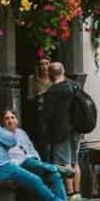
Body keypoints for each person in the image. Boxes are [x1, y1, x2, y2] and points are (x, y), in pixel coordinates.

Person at [0, 106, 78, 201]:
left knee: (53, 175)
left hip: (26, 163)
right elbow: (12, 142)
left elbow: (31, 149)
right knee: (35, 178)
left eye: (12, 117)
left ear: (17, 120)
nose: (10, 120)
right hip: (14, 164)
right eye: (7, 118)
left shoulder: (21, 132)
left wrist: (37, 160)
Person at [36, 61, 83, 192]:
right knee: (75, 162)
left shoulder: (52, 91)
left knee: (64, 163)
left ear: (50, 74)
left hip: (60, 131)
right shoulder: (74, 86)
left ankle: (69, 192)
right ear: (63, 71)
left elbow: (47, 114)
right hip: (76, 129)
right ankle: (77, 192)